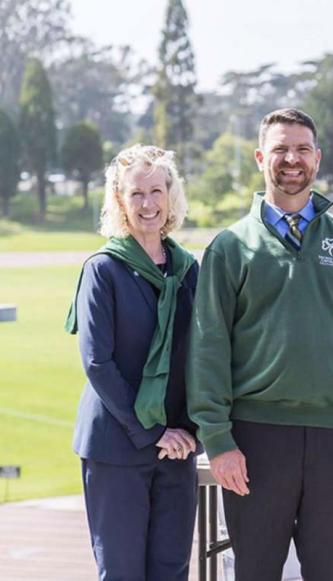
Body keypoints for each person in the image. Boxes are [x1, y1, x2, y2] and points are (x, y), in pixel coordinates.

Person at [187, 108, 333, 581]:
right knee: (256, 572)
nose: (292, 159)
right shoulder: (230, 247)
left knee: (327, 572)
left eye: (302, 149)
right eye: (281, 149)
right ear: (261, 157)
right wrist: (219, 441)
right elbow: (207, 350)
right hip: (255, 439)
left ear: (317, 159)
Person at [67, 144, 199, 581]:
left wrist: (189, 431)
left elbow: (203, 355)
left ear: (171, 196)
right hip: (117, 445)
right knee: (122, 573)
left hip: (176, 445)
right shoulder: (103, 270)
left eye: (157, 191)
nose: (148, 204)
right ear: (120, 201)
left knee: (171, 569)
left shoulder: (188, 270)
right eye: (136, 194)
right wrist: (152, 431)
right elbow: (98, 363)